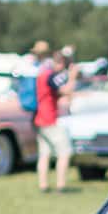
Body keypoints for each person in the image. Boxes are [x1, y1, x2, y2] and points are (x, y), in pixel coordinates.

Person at [34, 48, 72, 192]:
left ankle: (43, 185)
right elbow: (65, 90)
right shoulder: (50, 76)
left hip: (40, 119)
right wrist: (72, 76)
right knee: (64, 152)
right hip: (50, 119)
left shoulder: (40, 74)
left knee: (44, 154)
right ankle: (60, 185)